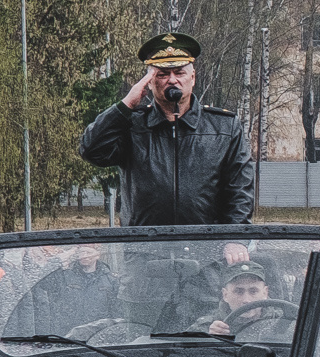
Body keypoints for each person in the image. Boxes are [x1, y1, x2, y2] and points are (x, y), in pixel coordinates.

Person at [79, 31, 254, 226]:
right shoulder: (132, 125)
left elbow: (240, 191)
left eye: (179, 72)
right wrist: (127, 104)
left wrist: (234, 238)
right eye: (162, 74)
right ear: (150, 82)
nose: (172, 80)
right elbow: (91, 150)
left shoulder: (223, 127)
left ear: (193, 78)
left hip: (206, 247)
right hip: (143, 247)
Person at [194, 263, 288, 339]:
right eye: (238, 291)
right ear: (225, 295)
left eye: (253, 291)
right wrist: (209, 339)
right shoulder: (205, 328)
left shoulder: (285, 323)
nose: (246, 300)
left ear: (265, 293)